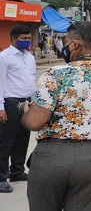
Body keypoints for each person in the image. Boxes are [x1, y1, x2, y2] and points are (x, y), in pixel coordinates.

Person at [22, 21, 91, 210]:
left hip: (50, 157)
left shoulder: (54, 75)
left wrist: (26, 111)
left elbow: (34, 122)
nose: (65, 46)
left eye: (66, 42)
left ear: (76, 44)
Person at [0, 24, 36, 193]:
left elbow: (32, 80)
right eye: (23, 39)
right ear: (13, 39)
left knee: (23, 138)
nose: (27, 41)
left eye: (28, 38)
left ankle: (17, 171)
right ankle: (1, 177)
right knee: (6, 142)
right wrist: (1, 108)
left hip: (27, 102)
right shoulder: (4, 57)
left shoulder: (29, 57)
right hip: (10, 103)